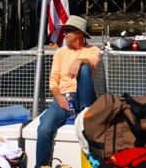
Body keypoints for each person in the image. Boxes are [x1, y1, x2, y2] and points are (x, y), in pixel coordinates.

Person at [35, 15, 101, 168]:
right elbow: (53, 79)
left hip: (84, 96)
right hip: (64, 98)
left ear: (79, 33)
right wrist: (58, 96)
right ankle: (42, 165)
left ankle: (84, 111)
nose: (64, 34)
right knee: (44, 129)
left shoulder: (93, 50)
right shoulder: (60, 52)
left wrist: (80, 61)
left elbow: (93, 62)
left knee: (85, 68)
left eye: (68, 31)